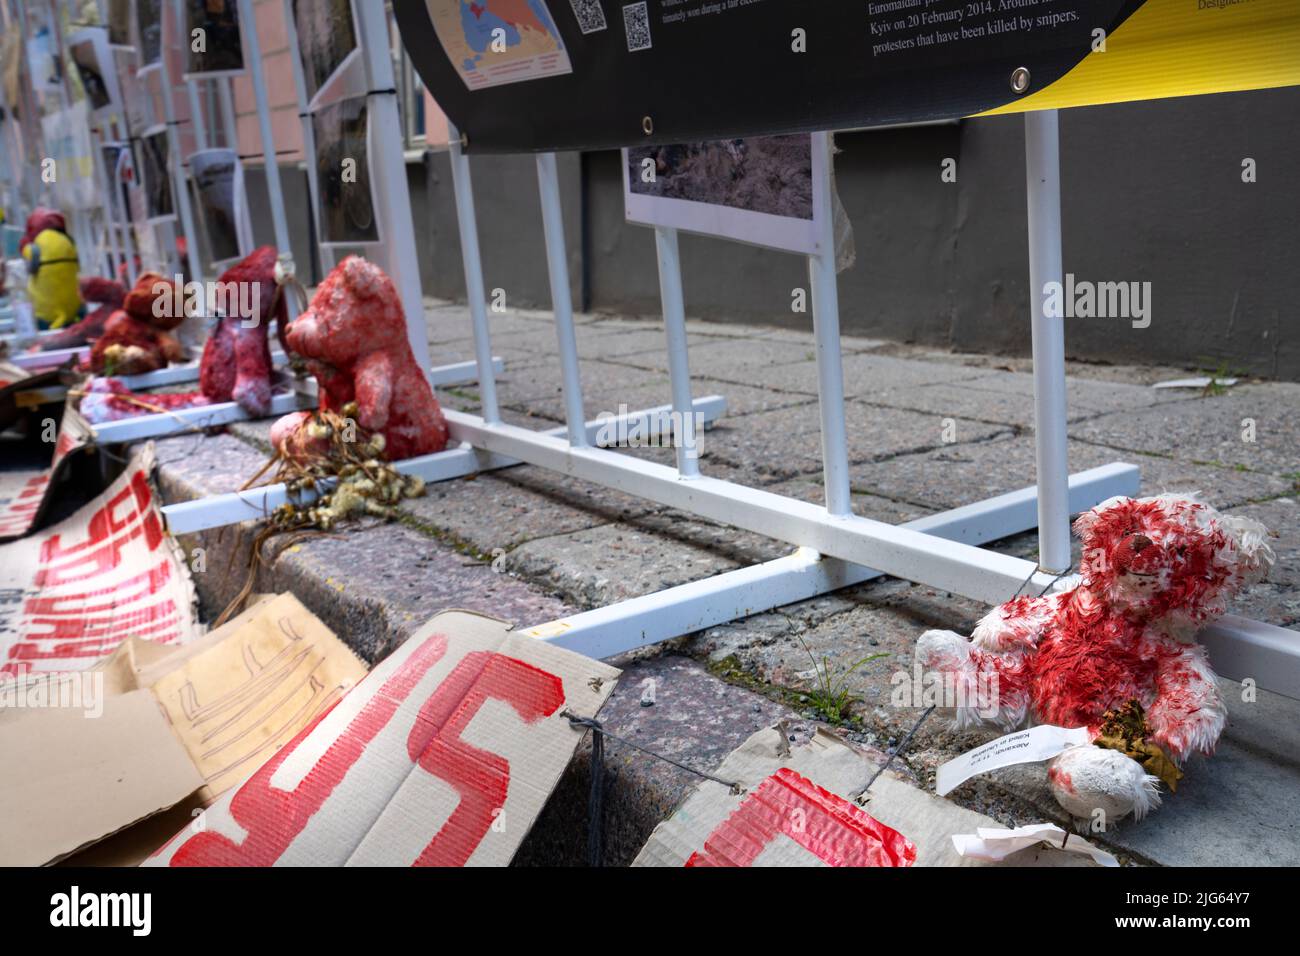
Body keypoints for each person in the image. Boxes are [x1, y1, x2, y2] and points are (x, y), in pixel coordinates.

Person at [21, 206, 82, 329]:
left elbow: (26, 256)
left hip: (46, 315)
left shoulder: (35, 246)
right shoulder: (68, 242)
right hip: (73, 310)